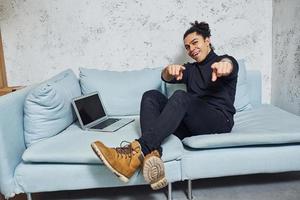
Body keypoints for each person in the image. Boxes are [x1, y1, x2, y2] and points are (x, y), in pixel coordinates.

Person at [91, 21, 239, 190]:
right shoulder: (190, 70)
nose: (191, 49)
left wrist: (225, 66)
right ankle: (153, 156)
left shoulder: (223, 61)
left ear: (207, 40)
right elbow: (165, 77)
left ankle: (136, 152)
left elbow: (230, 65)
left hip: (219, 120)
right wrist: (168, 71)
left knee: (181, 96)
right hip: (192, 123)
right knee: (151, 95)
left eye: (195, 42)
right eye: (187, 47)